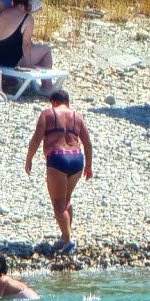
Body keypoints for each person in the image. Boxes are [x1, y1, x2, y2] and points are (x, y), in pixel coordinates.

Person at [25, 90, 93, 255]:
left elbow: (37, 138)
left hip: (58, 158)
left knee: (58, 202)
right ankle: (64, 236)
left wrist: (29, 158)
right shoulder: (77, 116)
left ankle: (68, 241)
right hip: (77, 159)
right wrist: (89, 166)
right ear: (67, 102)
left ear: (53, 102)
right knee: (66, 199)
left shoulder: (48, 114)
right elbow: (87, 143)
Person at [0, 0, 53, 70]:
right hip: (13, 62)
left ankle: (33, 76)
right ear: (27, 3)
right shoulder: (27, 18)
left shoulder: (2, 13)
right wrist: (28, 64)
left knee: (32, 50)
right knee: (46, 50)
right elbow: (26, 44)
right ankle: (45, 78)